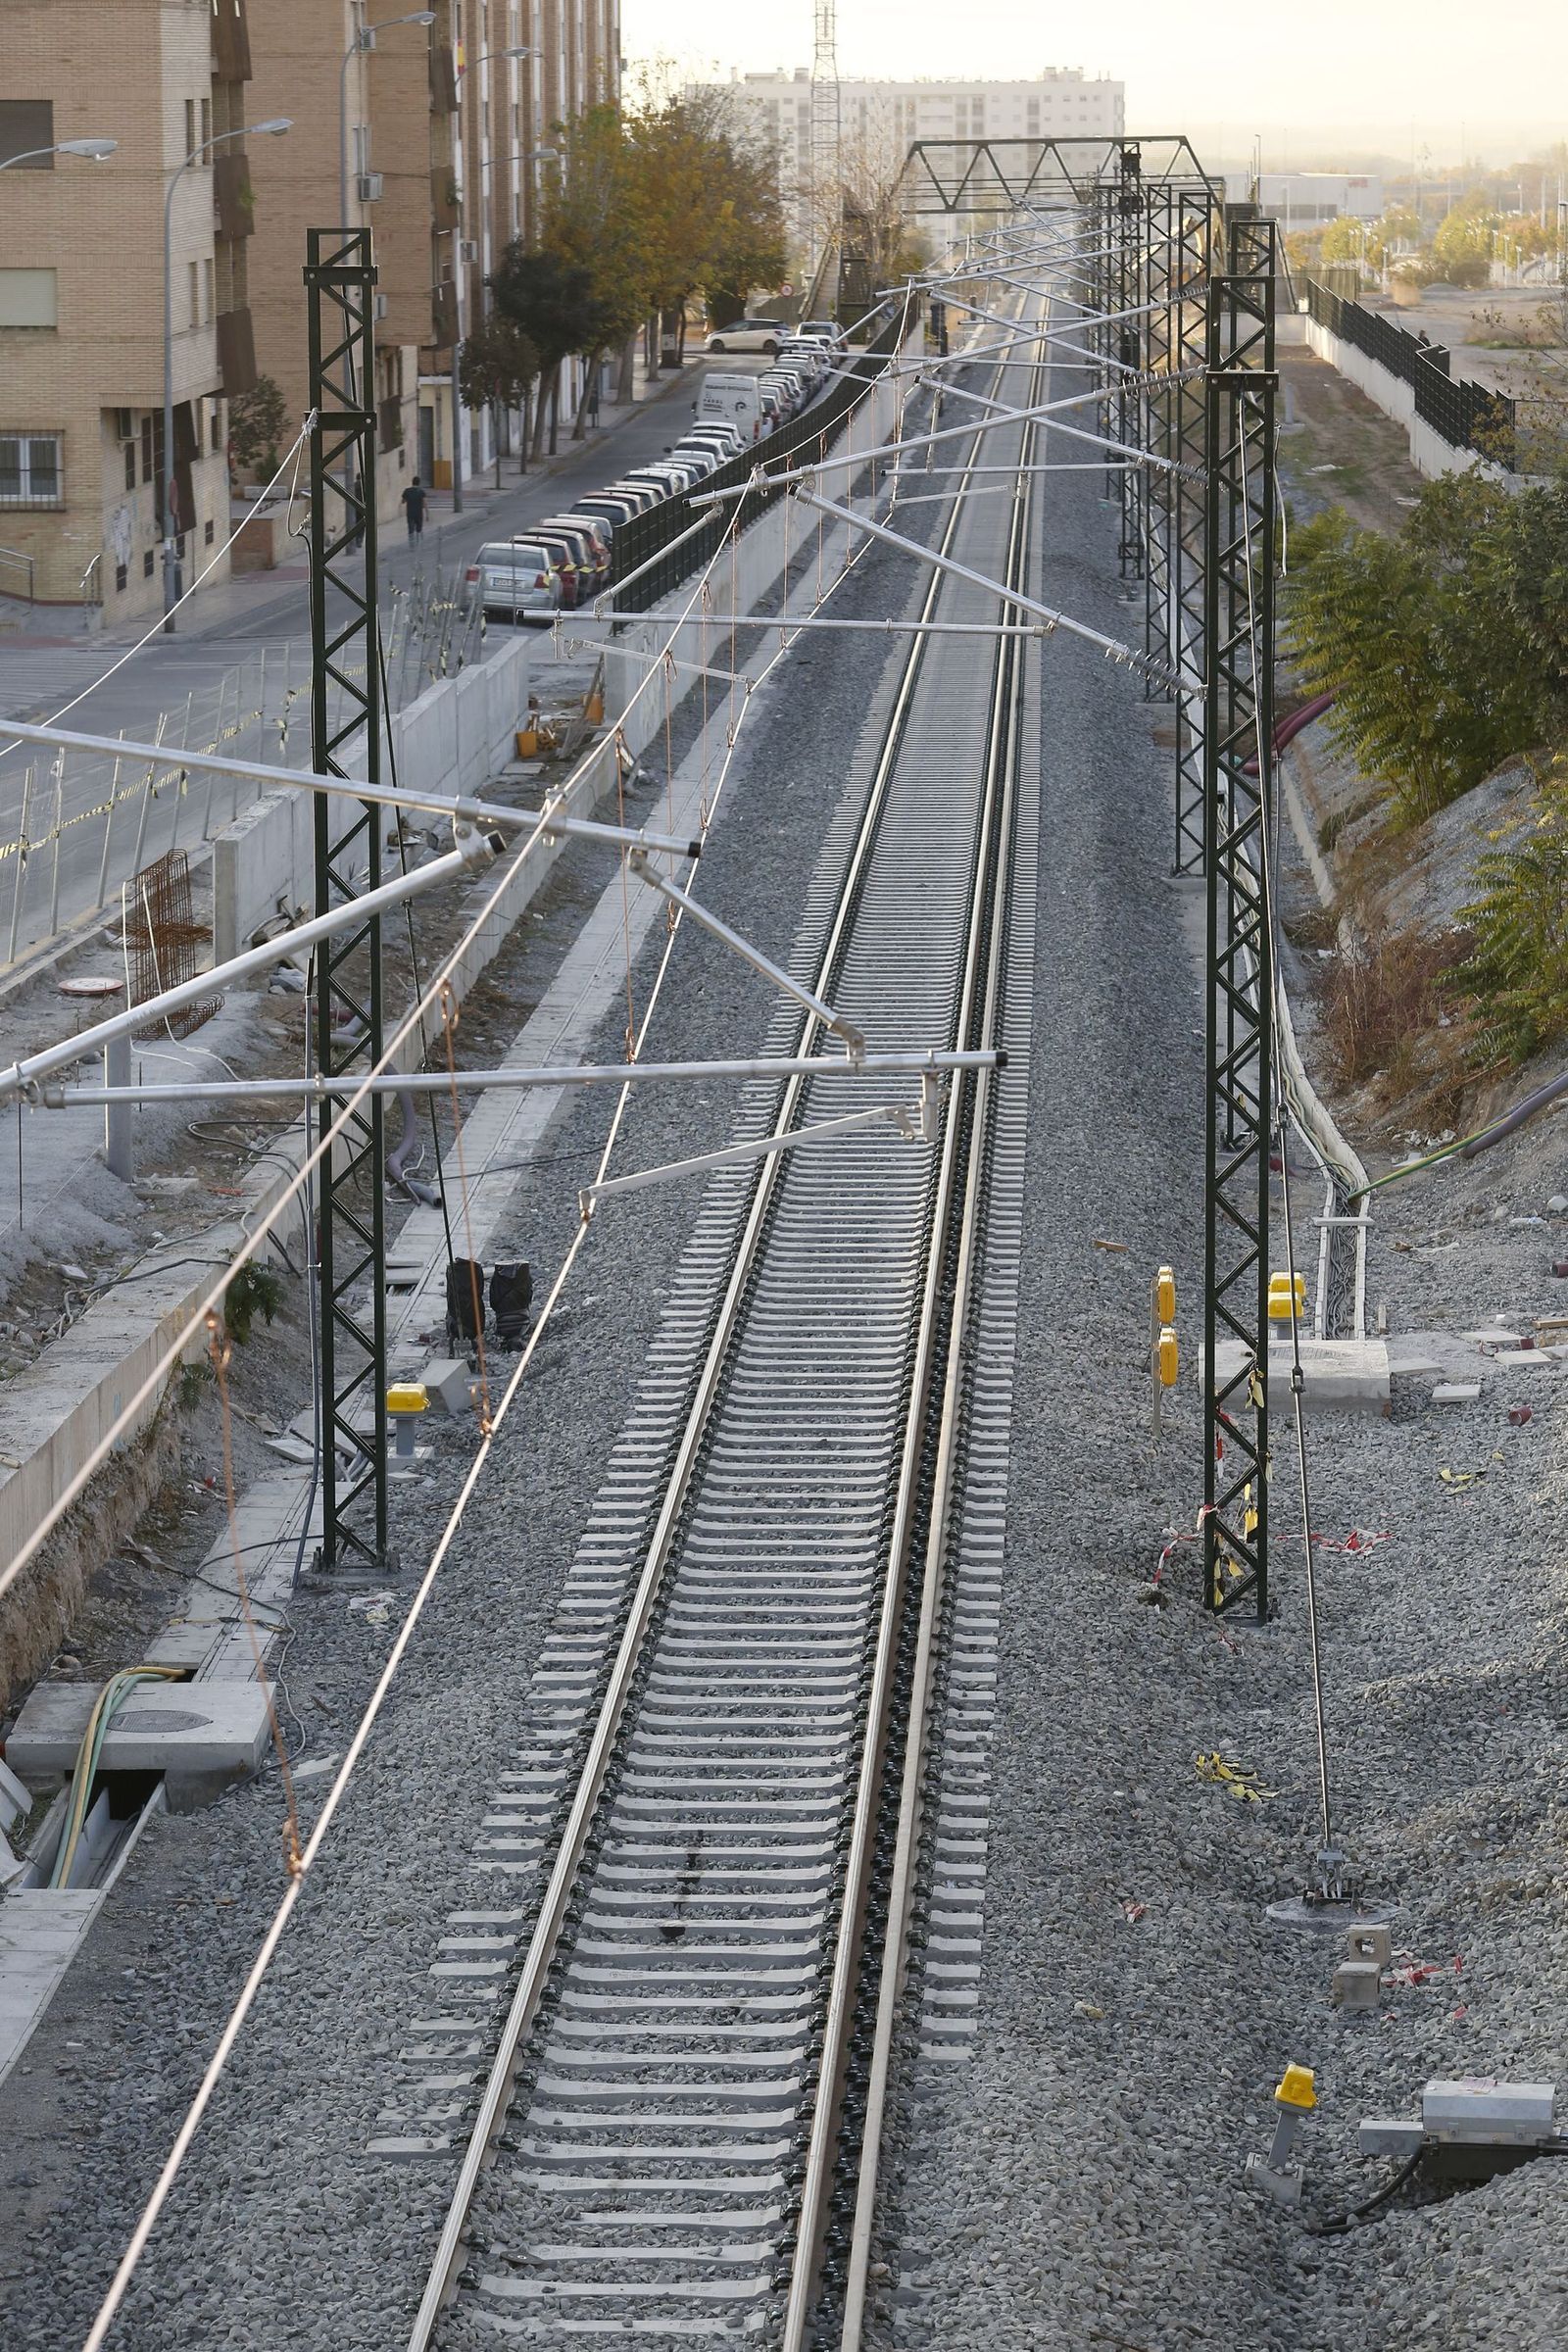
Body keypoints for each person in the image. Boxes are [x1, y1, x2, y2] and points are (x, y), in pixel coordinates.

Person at [402, 474, 426, 543]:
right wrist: (427, 514)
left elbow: (403, 501)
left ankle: (411, 544)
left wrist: (407, 500)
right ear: (419, 483)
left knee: (411, 529)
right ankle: (419, 542)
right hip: (419, 513)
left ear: (412, 482)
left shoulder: (407, 491)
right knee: (419, 529)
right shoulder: (421, 492)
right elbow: (424, 504)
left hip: (410, 513)